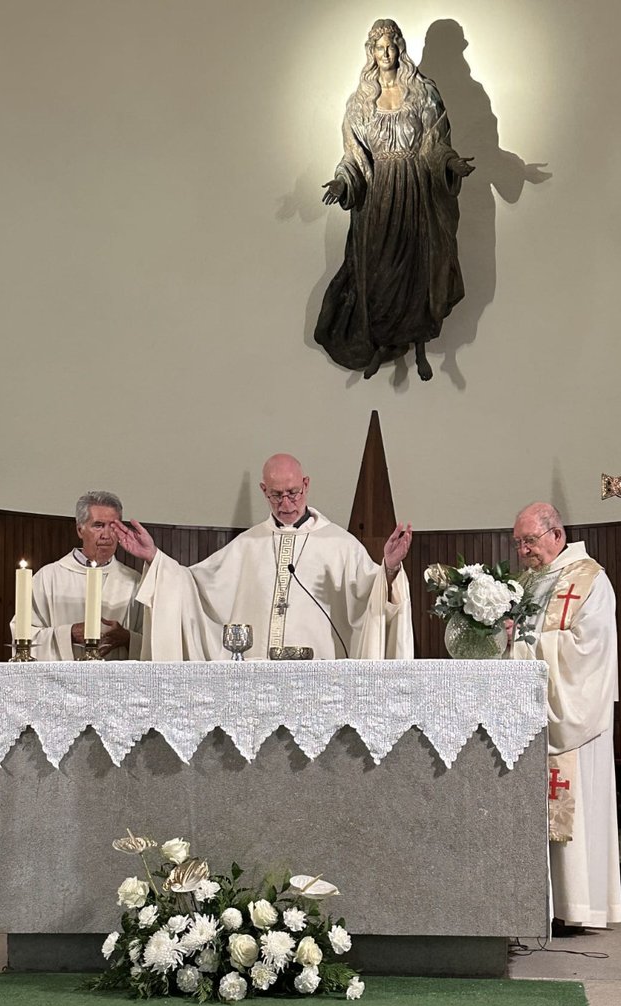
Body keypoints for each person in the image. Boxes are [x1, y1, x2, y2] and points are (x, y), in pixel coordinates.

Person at [112, 454, 414, 660]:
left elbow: (371, 596)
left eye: (293, 493)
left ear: (306, 485)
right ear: (263, 490)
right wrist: (154, 557)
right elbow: (194, 586)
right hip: (258, 674)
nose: (286, 503)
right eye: (276, 495)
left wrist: (389, 567)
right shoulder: (248, 545)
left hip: (319, 675)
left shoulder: (340, 545)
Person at [315, 18, 474, 382]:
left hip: (417, 193)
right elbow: (355, 156)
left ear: (400, 47)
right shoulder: (360, 103)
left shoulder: (423, 93)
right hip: (380, 201)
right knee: (380, 272)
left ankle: (419, 347)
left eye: (391, 45)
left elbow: (436, 143)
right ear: (370, 52)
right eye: (379, 46)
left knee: (419, 269)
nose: (386, 52)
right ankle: (384, 342)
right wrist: (342, 182)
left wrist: (452, 163)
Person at [509, 503, 621, 930]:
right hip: (531, 716)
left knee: (572, 805)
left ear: (556, 535)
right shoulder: (527, 582)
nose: (523, 551)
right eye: (518, 543)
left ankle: (577, 908)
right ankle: (540, 904)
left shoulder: (590, 579)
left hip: (574, 717)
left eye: (529, 541)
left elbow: (586, 651)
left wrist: (519, 646)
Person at [12, 491, 143, 660]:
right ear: (80, 530)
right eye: (98, 525)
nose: (107, 535)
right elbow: (23, 634)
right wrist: (69, 634)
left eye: (113, 527)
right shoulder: (49, 577)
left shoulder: (133, 581)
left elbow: (153, 642)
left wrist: (127, 638)